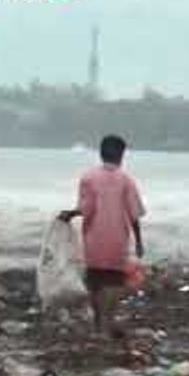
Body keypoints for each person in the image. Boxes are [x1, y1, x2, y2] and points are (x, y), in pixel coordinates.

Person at [58, 135, 145, 335]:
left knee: (95, 280)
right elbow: (134, 214)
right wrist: (139, 241)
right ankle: (106, 321)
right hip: (117, 239)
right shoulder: (126, 180)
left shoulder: (89, 177)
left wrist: (70, 214)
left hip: (93, 238)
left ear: (101, 152)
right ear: (121, 155)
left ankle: (99, 324)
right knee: (113, 281)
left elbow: (85, 208)